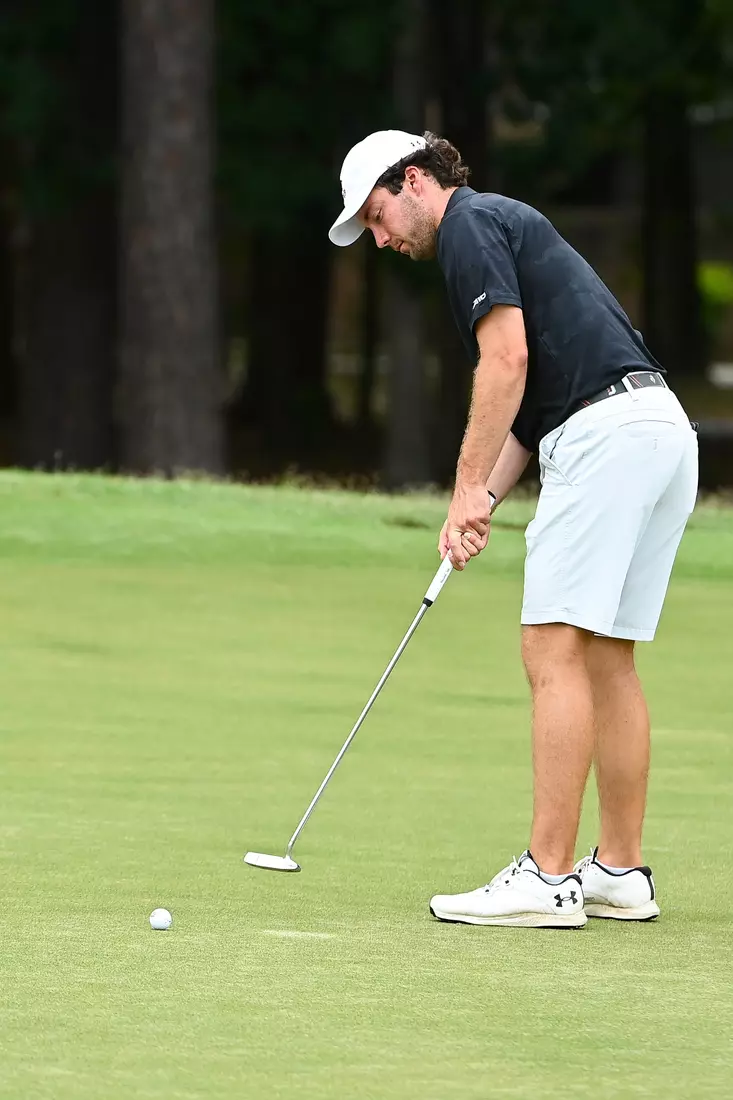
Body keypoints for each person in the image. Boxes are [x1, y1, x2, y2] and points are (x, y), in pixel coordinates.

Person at [328, 129, 699, 929]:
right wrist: (482, 502)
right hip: (658, 431)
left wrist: (463, 485)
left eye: (377, 216)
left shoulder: (466, 226)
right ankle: (619, 872)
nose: (380, 239)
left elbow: (505, 363)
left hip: (604, 440)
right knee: (606, 657)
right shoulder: (505, 224)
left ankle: (547, 877)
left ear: (414, 180)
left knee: (550, 650)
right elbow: (529, 412)